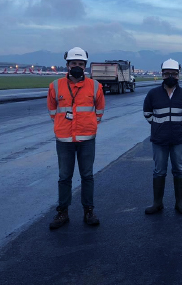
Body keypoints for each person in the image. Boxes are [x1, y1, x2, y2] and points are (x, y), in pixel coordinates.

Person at [47, 47, 105, 229]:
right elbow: (52, 110)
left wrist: (90, 125)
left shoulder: (95, 86)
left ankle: (89, 211)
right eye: (74, 63)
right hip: (64, 139)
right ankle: (62, 212)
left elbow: (99, 110)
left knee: (87, 176)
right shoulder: (55, 86)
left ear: (85, 66)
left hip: (87, 139)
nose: (77, 66)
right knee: (64, 177)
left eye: (80, 64)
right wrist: (61, 126)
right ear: (67, 65)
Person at [143, 59, 182, 215]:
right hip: (159, 140)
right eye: (167, 74)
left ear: (178, 75)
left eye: (173, 74)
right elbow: (147, 113)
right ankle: (157, 203)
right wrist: (159, 126)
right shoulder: (153, 94)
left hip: (178, 140)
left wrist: (177, 126)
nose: (170, 76)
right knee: (159, 171)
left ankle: (179, 203)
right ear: (162, 75)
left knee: (178, 169)